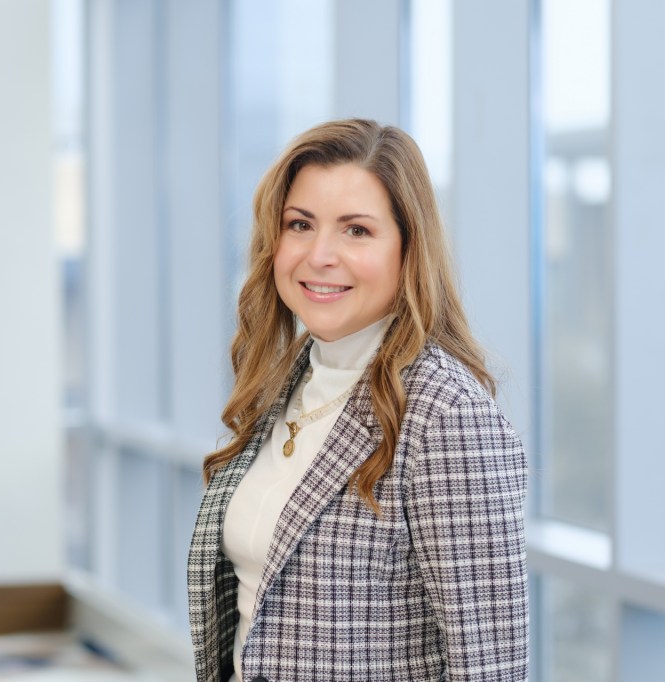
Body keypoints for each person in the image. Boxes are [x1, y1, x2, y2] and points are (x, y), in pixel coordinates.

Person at [187, 118, 528, 682]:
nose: (320, 255)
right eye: (300, 225)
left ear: (408, 249)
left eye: (357, 231)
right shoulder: (288, 379)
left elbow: (489, 667)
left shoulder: (446, 412)